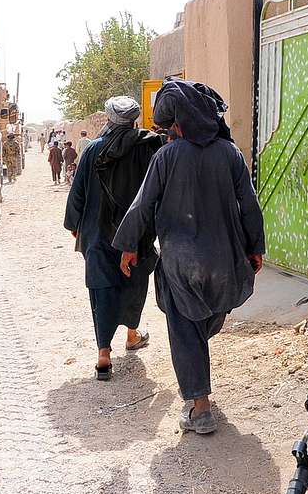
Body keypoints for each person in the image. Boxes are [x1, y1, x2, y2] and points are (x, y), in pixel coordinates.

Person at [113, 80, 265, 434]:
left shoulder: (166, 157)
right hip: (226, 261)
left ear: (179, 123)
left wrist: (129, 245)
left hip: (181, 263)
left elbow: (143, 204)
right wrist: (255, 247)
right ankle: (198, 387)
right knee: (206, 319)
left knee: (185, 329)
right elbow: (250, 206)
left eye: (170, 127)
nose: (168, 133)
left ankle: (200, 407)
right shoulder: (230, 154)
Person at [64, 97, 165, 379]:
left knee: (102, 289)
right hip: (136, 234)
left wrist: (75, 225)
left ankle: (103, 355)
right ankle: (132, 334)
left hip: (97, 232)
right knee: (134, 282)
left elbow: (78, 192)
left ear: (109, 119)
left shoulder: (94, 149)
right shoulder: (148, 147)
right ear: (134, 119)